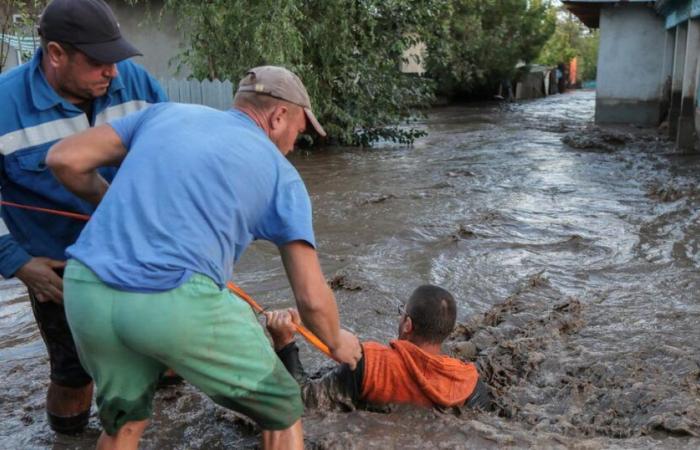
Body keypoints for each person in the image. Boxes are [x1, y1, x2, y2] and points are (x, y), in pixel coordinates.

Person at [45, 65, 362, 450]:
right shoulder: (283, 176)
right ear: (279, 116)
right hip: (170, 299)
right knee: (282, 406)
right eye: (299, 130)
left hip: (85, 289)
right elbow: (311, 298)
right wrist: (336, 341)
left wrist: (108, 201)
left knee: (124, 423)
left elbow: (64, 159)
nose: (296, 143)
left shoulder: (166, 113)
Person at [0, 0, 167, 434]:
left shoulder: (137, 85)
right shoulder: (4, 104)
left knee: (163, 348)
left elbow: (175, 160)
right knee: (74, 373)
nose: (112, 72)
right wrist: (17, 262)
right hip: (59, 269)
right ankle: (69, 439)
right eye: (98, 62)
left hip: (140, 253)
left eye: (116, 58)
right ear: (56, 54)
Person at [265, 285, 492, 411]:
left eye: (402, 312)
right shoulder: (470, 383)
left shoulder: (369, 363)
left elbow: (303, 402)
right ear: (446, 332)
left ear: (407, 324)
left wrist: (284, 343)